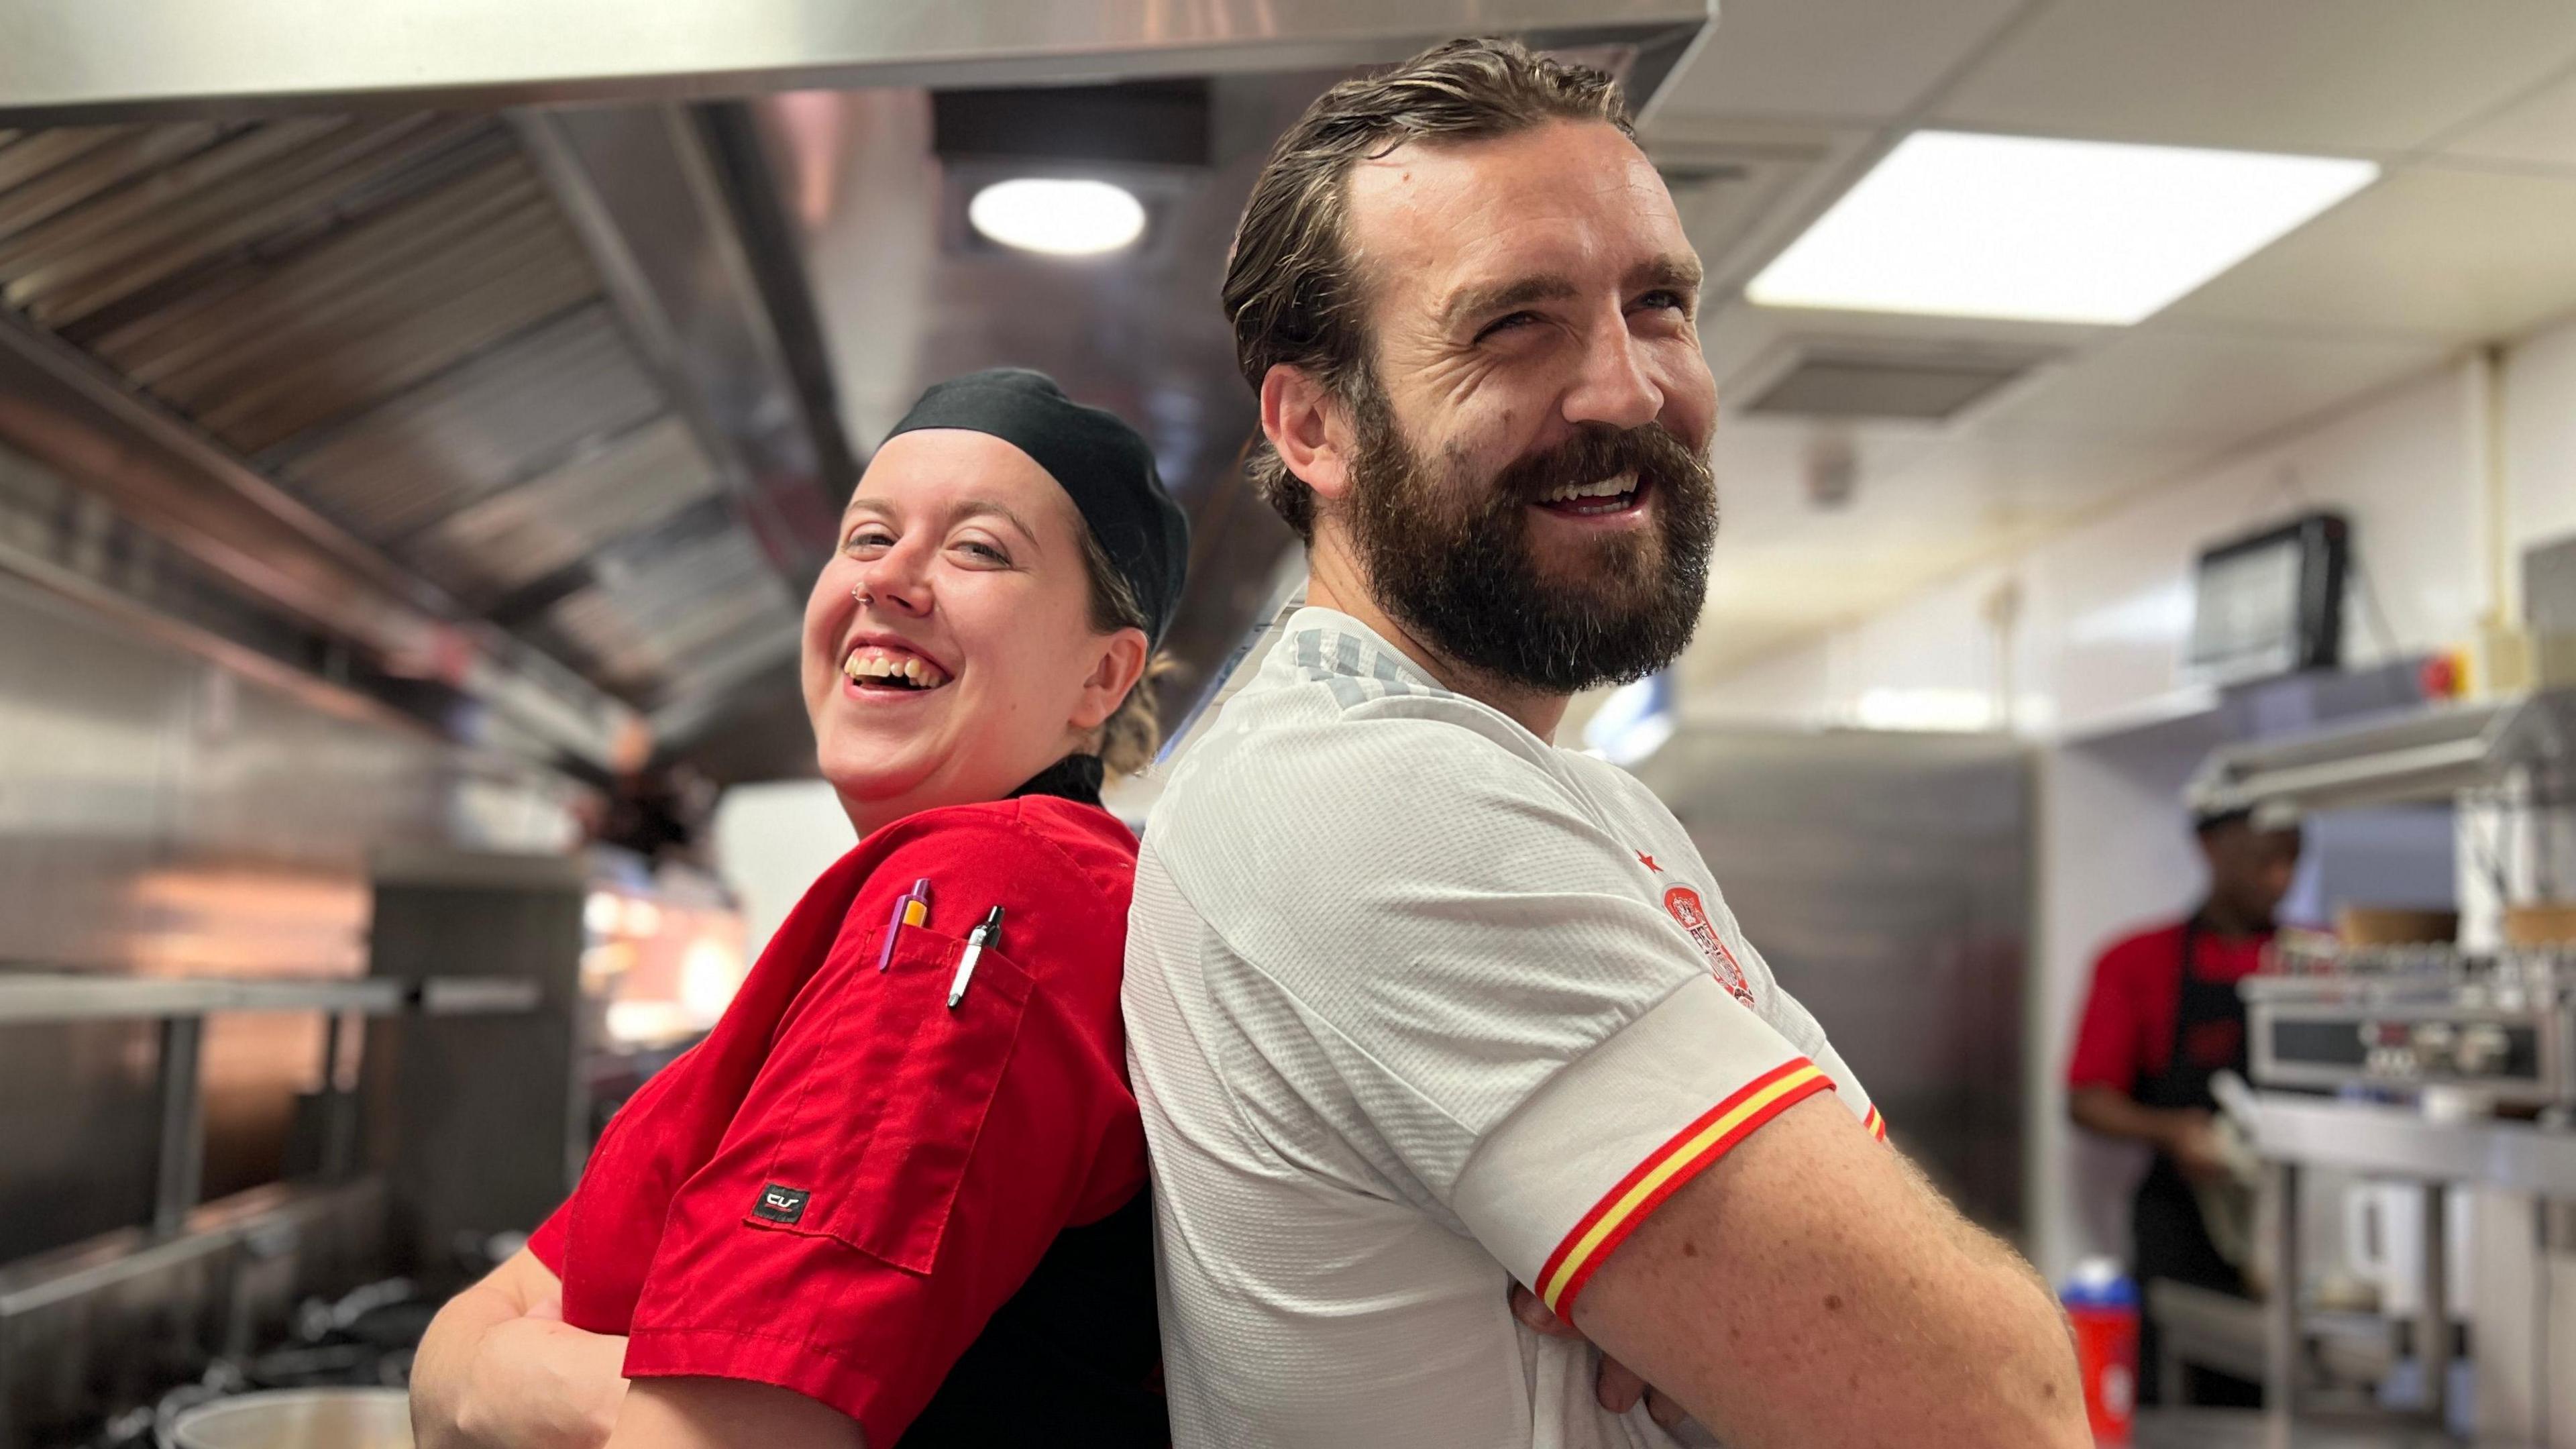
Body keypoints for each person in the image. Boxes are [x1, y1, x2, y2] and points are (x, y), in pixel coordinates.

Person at [1120, 36, 2088, 1449]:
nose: (1628, 391)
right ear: (1314, 423)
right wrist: (1764, 1309)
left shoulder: (1585, 802)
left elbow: (1879, 1287)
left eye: (1660, 306)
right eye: (1514, 323)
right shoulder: (1368, 797)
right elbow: (1993, 1404)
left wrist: (1766, 1304)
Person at [411, 368, 1189, 1449]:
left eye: (978, 549)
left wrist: (492, 1376)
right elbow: (463, 1331)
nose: (893, 581)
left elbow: (718, 1434)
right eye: (868, 537)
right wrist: (483, 1363)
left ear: (1103, 679)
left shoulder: (979, 902)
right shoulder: (891, 916)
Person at [2068, 805, 2304, 1407]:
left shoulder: (2314, 961)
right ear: (2213, 849)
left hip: (2296, 1232)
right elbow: (2086, 1099)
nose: (2280, 879)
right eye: (2264, 861)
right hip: (2181, 1229)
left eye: (2292, 860)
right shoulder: (2137, 962)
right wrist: (2174, 1131)